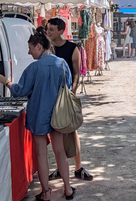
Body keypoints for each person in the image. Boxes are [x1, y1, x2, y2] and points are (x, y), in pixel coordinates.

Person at [0, 31, 75, 200]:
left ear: (39, 46)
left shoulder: (34, 68)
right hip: (59, 114)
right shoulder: (62, 64)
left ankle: (46, 193)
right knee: (59, 151)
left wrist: (6, 82)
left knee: (41, 153)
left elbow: (21, 91)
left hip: (38, 114)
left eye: (30, 48)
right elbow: (68, 86)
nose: (29, 52)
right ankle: (68, 188)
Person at [45, 18, 95, 182]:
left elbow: (76, 73)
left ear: (61, 31)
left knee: (71, 131)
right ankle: (61, 168)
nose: (49, 32)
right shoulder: (47, 49)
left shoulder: (73, 48)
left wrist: (72, 92)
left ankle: (78, 167)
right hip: (51, 94)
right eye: (48, 29)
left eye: (52, 29)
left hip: (66, 95)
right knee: (55, 133)